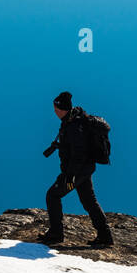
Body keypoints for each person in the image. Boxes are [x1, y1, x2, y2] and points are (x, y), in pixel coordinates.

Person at [38, 91, 114, 247]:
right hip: (84, 170)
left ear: (62, 109)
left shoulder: (74, 126)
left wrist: (69, 176)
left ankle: (56, 234)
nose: (54, 111)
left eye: (56, 108)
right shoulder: (72, 120)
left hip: (76, 172)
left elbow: (79, 153)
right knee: (89, 201)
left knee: (53, 195)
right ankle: (105, 236)